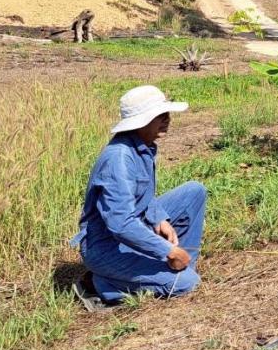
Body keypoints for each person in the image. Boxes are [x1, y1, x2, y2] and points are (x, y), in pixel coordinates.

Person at [71, 85, 207, 309]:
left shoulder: (143, 147)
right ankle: (102, 284)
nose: (168, 119)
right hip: (107, 249)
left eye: (167, 114)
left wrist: (158, 218)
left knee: (194, 191)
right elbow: (121, 225)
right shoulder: (119, 159)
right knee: (188, 284)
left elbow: (143, 196)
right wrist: (168, 250)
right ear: (142, 121)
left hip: (133, 229)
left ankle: (182, 264)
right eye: (160, 115)